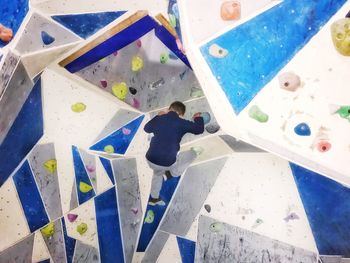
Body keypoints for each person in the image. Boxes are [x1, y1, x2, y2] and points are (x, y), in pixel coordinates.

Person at [144, 101, 204, 206]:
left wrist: (158, 116)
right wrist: (197, 117)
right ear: (181, 115)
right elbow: (199, 129)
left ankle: (154, 198)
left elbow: (146, 128)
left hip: (150, 159)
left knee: (157, 173)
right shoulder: (182, 123)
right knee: (191, 154)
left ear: (169, 108)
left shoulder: (160, 119)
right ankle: (171, 173)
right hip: (168, 162)